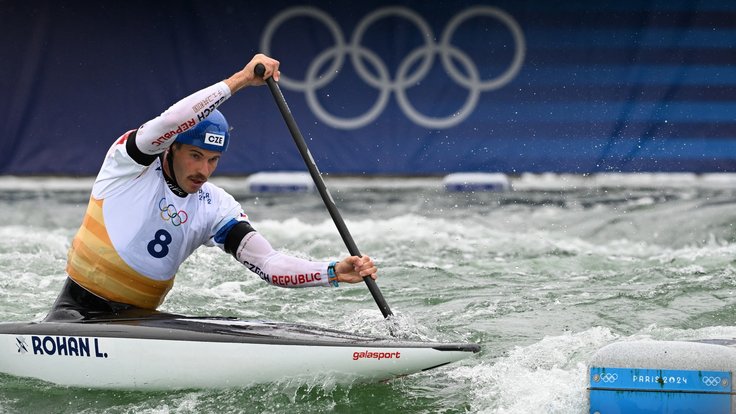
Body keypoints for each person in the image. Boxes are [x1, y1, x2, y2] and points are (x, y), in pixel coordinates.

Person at [45, 54, 377, 321]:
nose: (204, 170)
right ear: (170, 148)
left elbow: (271, 265)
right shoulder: (128, 165)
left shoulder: (215, 207)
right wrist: (241, 81)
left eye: (213, 160)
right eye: (195, 155)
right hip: (75, 315)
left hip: (142, 324)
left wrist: (331, 271)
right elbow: (172, 121)